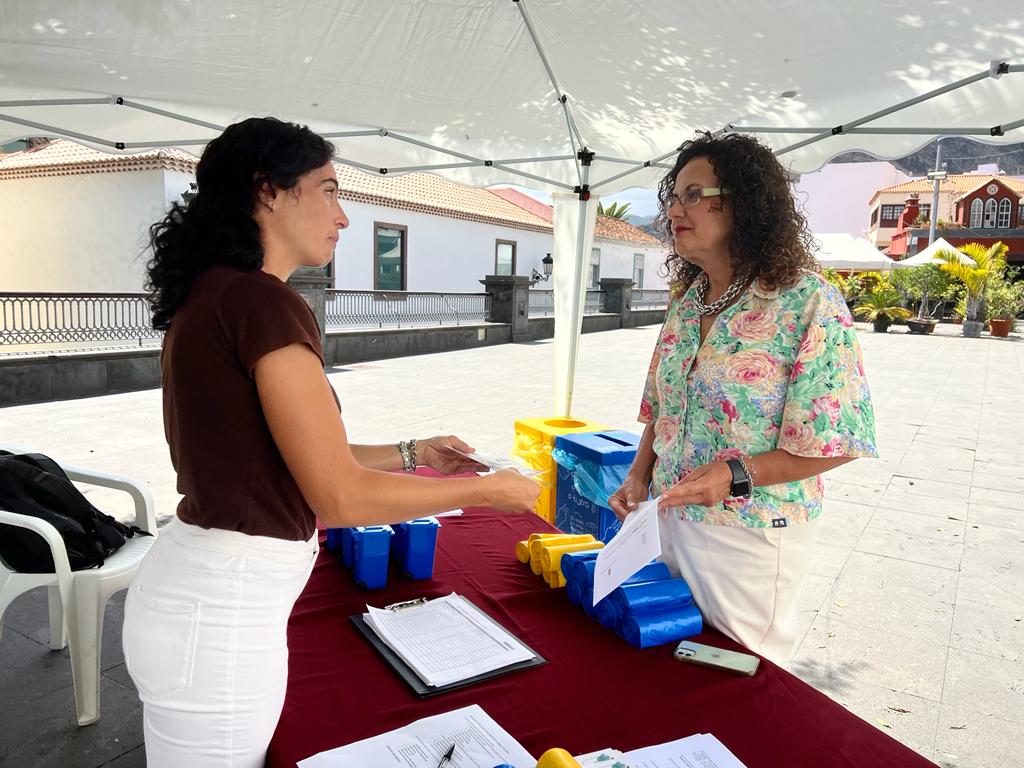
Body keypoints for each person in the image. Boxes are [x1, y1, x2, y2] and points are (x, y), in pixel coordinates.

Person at [121, 117, 539, 768]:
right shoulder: (262, 304)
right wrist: (489, 491)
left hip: (200, 596)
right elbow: (339, 496)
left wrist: (418, 453)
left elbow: (295, 455)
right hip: (220, 613)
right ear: (268, 191)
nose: (342, 217)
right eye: (328, 190)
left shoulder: (216, 293)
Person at [608, 132, 877, 663]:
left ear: (746, 203)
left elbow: (839, 440)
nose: (674, 211)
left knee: (734, 675)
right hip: (665, 522)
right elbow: (663, 410)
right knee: (668, 666)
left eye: (693, 195)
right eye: (673, 197)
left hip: (748, 535)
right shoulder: (688, 301)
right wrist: (638, 474)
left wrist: (733, 473)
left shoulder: (807, 301)